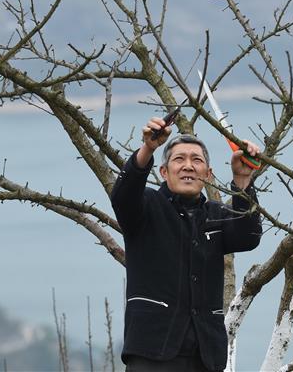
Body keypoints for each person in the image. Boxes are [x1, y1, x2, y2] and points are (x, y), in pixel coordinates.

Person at [110, 116, 262, 372]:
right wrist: (148, 148)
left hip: (205, 354)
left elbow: (248, 236)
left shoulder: (216, 213)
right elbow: (123, 196)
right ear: (163, 171)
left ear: (208, 174)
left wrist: (243, 180)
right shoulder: (146, 206)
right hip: (152, 352)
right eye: (179, 159)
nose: (188, 166)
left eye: (197, 160)